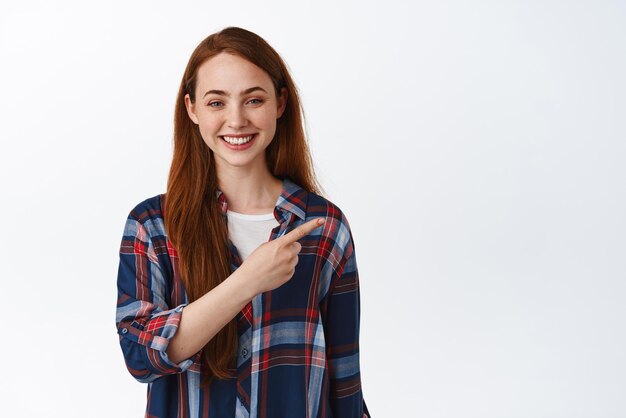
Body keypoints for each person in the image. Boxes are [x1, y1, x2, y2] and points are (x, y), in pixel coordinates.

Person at [115, 26, 371, 418]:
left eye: (253, 99)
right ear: (192, 109)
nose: (236, 120)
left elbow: (345, 379)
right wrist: (248, 281)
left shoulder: (323, 226)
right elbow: (140, 356)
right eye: (217, 103)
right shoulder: (153, 225)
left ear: (280, 104)